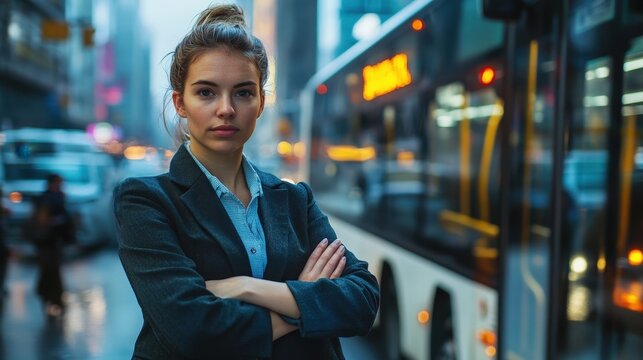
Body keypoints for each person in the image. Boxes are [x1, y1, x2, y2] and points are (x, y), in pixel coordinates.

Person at [113, 4, 379, 360]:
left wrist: (248, 288)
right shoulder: (145, 201)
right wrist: (302, 299)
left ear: (260, 101)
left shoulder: (294, 199)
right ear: (180, 103)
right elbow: (193, 330)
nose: (226, 109)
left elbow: (363, 300)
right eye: (206, 92)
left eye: (243, 92)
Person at [33, 173, 72, 318]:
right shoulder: (48, 199)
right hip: (47, 242)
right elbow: (42, 221)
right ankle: (53, 298)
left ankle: (51, 298)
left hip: (52, 242)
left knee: (51, 270)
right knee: (50, 271)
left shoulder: (56, 197)